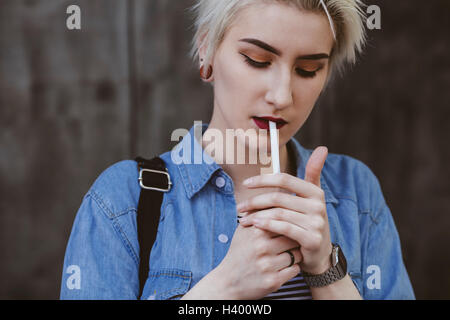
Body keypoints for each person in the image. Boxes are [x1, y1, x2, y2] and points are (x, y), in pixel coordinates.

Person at [60, 0, 415, 300]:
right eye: (257, 60)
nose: (281, 96)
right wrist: (221, 289)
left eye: (308, 70)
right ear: (206, 51)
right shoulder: (122, 201)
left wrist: (327, 271)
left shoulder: (356, 193)